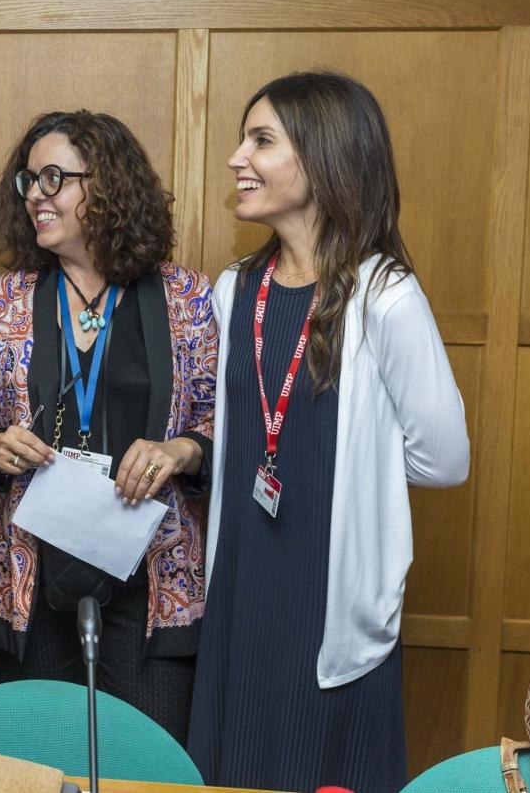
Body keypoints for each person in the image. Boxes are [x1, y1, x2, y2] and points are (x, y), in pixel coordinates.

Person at [186, 72, 470, 792]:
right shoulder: (235, 289)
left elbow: (445, 460)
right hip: (242, 589)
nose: (235, 159)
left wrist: (355, 467)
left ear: (323, 158)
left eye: (261, 140)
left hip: (329, 603)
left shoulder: (387, 297)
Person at [0, 110, 217, 744]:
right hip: (32, 572)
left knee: (146, 767)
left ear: (107, 186)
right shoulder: (8, 297)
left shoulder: (186, 296)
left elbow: (216, 417)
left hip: (152, 575)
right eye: (29, 181)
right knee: (43, 761)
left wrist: (181, 449)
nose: (37, 195)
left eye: (55, 178)